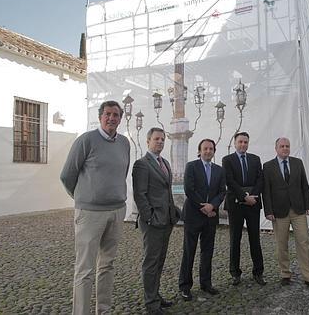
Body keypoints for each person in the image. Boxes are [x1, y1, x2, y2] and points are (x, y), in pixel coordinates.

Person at [60, 100, 130, 315]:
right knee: (85, 269)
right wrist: (84, 197)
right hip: (90, 214)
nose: (112, 118)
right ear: (100, 116)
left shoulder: (124, 143)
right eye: (108, 114)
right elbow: (67, 175)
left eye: (116, 115)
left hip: (117, 211)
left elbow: (122, 173)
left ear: (120, 118)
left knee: (107, 265)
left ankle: (104, 310)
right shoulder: (86, 140)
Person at [132, 127, 181, 314]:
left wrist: (173, 213)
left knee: (160, 261)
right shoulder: (142, 164)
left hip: (166, 220)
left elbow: (166, 192)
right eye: (156, 139)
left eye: (162, 139)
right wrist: (149, 218)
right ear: (148, 141)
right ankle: (151, 303)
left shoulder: (165, 163)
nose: (160, 142)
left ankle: (155, 295)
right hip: (153, 222)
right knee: (151, 263)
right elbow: (140, 195)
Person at [262, 137, 309, 290]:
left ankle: (308, 276)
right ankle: (285, 274)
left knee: (304, 242)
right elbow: (266, 191)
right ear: (276, 148)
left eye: (287, 146)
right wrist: (268, 211)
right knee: (281, 244)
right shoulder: (268, 166)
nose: (285, 148)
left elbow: (304, 185)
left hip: (298, 209)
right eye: (282, 146)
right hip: (278, 211)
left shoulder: (297, 163)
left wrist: (308, 204)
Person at [178, 139, 227, 301]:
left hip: (210, 217)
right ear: (199, 151)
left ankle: (206, 283)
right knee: (189, 251)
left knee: (207, 251)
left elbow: (222, 192)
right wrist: (203, 206)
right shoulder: (191, 166)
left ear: (214, 151)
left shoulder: (219, 170)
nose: (208, 151)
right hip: (193, 215)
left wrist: (212, 206)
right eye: (205, 148)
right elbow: (189, 189)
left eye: (211, 149)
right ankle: (185, 286)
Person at [222, 132, 266, 286]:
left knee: (255, 239)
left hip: (253, 204)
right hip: (235, 205)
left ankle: (258, 272)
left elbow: (260, 179)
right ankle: (235, 273)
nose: (243, 145)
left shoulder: (255, 159)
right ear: (235, 143)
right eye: (240, 142)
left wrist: (252, 196)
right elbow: (229, 181)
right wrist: (244, 196)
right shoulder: (227, 160)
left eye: (245, 142)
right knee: (235, 239)